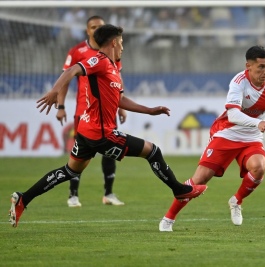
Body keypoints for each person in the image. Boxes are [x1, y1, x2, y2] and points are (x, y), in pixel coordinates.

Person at [8, 24, 207, 228]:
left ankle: (23, 198)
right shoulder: (100, 61)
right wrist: (54, 92)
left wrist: (149, 110)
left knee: (70, 171)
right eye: (121, 42)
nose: (123, 47)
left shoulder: (112, 67)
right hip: (101, 134)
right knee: (153, 151)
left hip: (86, 132)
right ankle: (179, 190)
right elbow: (73, 69)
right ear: (113, 42)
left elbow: (119, 99)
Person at [159, 45, 265, 232]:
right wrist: (257, 123)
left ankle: (236, 201)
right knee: (201, 178)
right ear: (248, 66)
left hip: (251, 137)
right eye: (261, 67)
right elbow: (233, 115)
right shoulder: (238, 82)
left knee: (259, 167)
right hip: (227, 133)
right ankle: (168, 218)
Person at [60, 15, 127, 207]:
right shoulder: (77, 51)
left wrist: (121, 105)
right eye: (93, 27)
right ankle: (73, 194)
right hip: (84, 110)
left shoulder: (113, 52)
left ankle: (109, 193)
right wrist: (61, 105)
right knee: (79, 154)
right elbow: (66, 77)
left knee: (110, 151)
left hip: (107, 110)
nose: (97, 29)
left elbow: (117, 79)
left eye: (100, 26)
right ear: (87, 30)